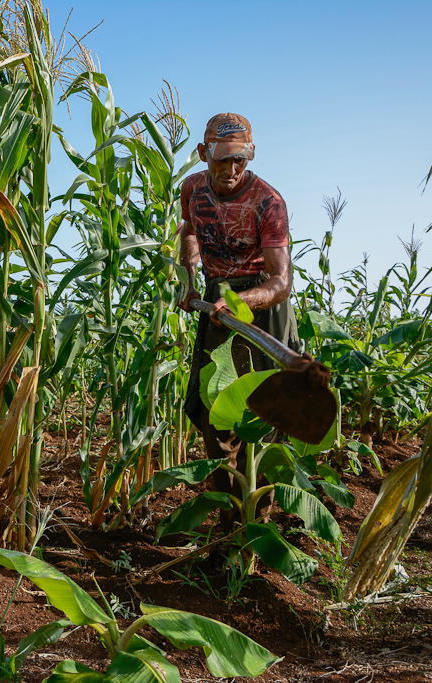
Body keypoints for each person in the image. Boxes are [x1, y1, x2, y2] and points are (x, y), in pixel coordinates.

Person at [178, 112, 301, 515]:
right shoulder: (192, 190)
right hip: (217, 299)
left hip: (263, 305)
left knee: (269, 414)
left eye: (241, 160)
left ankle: (259, 517)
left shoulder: (268, 202)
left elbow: (282, 283)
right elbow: (190, 231)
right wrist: (189, 279)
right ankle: (232, 513)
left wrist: (240, 302)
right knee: (213, 408)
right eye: (222, 159)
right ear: (203, 153)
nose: (232, 169)